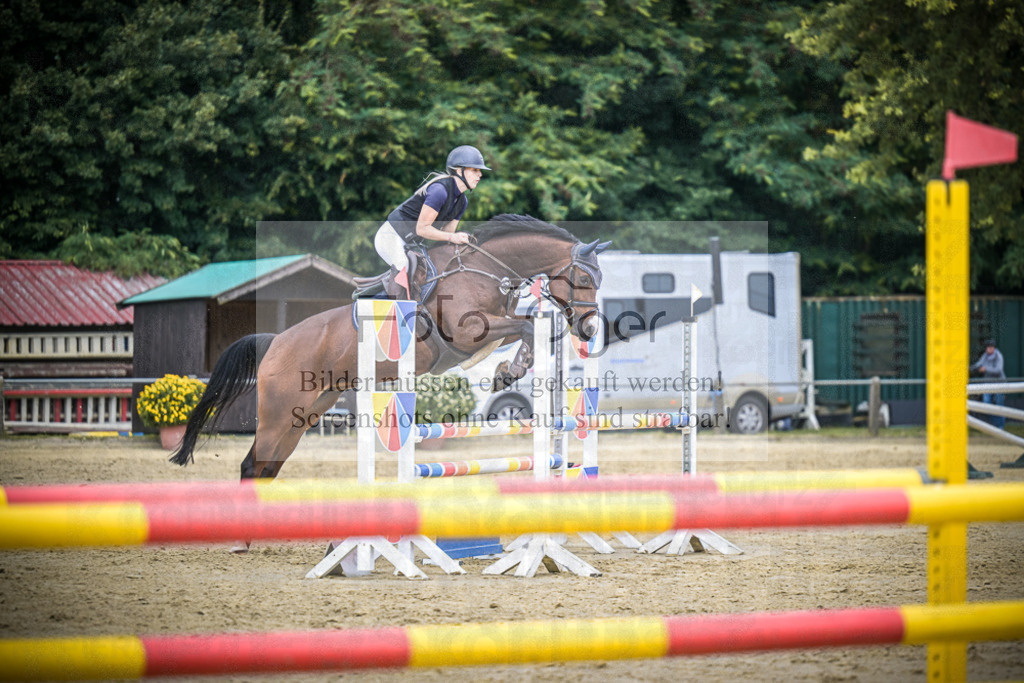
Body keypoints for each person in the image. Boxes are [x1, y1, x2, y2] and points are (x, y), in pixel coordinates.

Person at [373, 145, 489, 300]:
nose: (480, 174)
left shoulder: (462, 201)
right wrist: (452, 237)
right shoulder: (439, 191)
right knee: (403, 265)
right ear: (459, 170)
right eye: (475, 170)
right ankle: (397, 314)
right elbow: (422, 229)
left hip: (411, 243)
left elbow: (447, 236)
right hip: (390, 236)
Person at [970, 338, 1006, 429]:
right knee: (987, 404)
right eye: (988, 347)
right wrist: (972, 368)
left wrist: (985, 369)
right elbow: (979, 364)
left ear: (994, 348)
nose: (989, 349)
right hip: (988, 384)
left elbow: (998, 370)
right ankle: (994, 425)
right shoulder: (985, 356)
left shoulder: (998, 356)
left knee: (999, 405)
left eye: (991, 347)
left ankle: (1000, 426)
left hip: (999, 384)